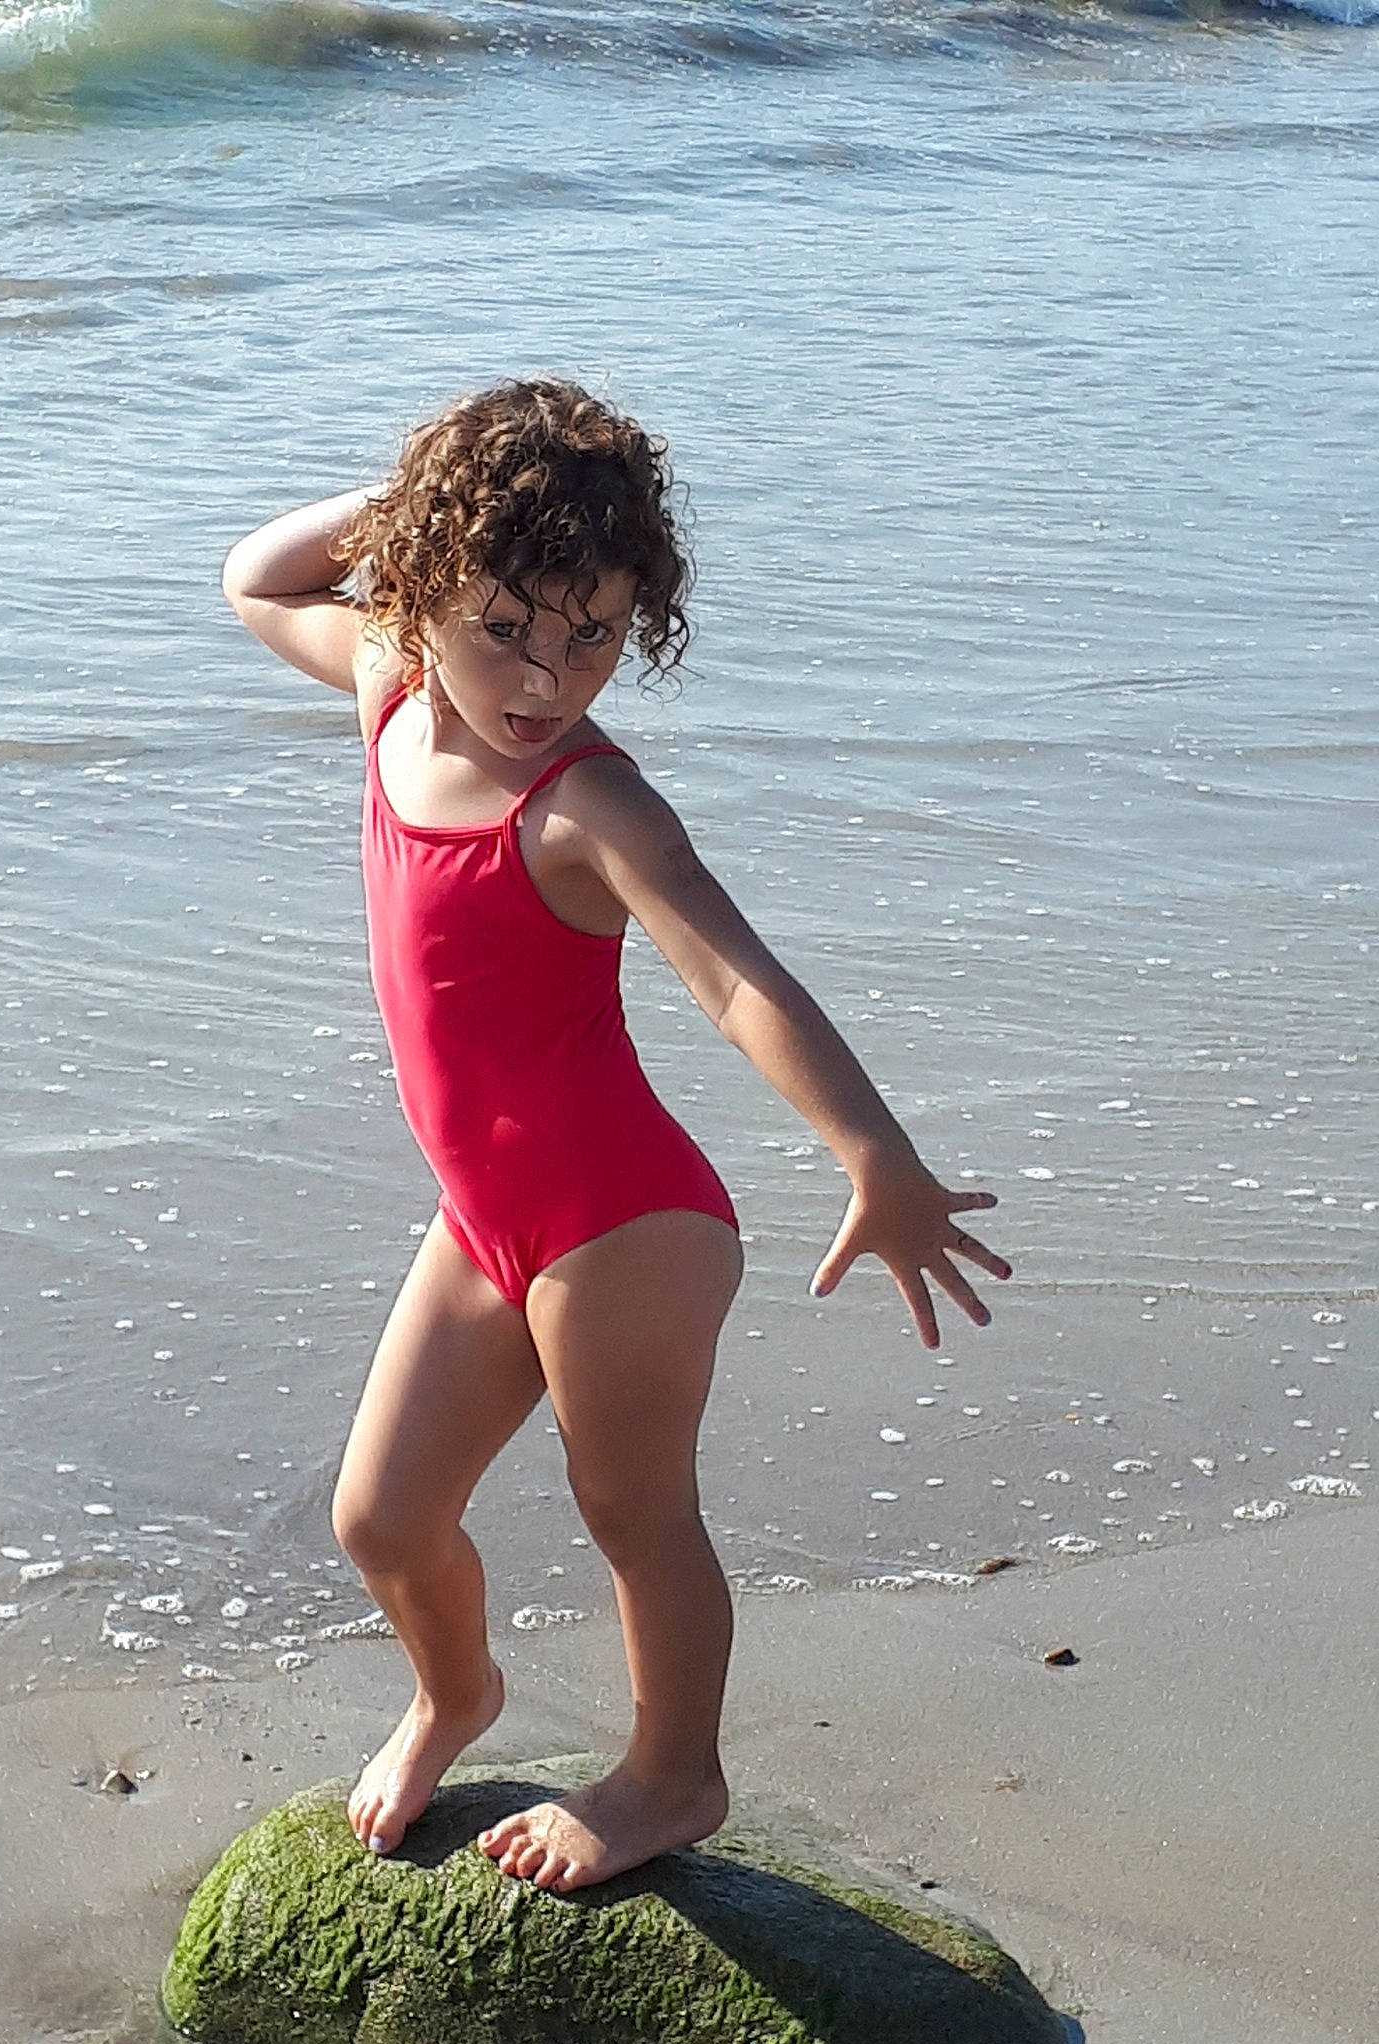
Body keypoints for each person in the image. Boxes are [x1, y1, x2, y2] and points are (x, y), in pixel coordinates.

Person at [220, 377, 1009, 1897]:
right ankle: (459, 1694)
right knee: (380, 1517)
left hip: (620, 1222)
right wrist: (412, 502)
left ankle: (672, 1775)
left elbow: (737, 981)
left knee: (630, 1510)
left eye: (593, 634)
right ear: (428, 582)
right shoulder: (389, 681)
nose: (546, 676)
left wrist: (875, 1157)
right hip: (488, 1216)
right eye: (508, 627)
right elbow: (257, 576)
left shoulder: (588, 808)